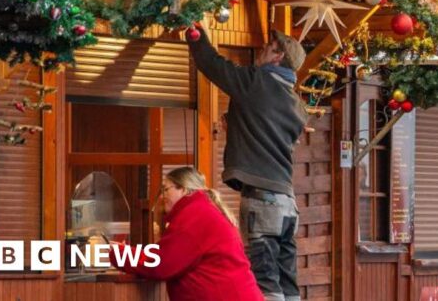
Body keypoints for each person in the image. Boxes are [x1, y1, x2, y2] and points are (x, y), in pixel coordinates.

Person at [188, 26, 307, 301]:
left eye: (267, 48)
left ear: (278, 56)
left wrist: (195, 33)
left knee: (265, 283)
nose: (260, 52)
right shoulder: (297, 105)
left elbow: (213, 64)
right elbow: (266, 131)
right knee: (287, 284)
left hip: (262, 200)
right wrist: (235, 124)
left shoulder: (257, 83)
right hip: (287, 204)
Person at [109, 167, 263, 301]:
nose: (162, 196)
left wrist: (119, 253)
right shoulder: (203, 210)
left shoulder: (194, 215)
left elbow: (162, 263)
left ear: (183, 189)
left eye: (166, 189)